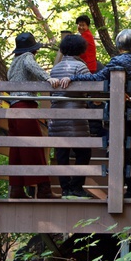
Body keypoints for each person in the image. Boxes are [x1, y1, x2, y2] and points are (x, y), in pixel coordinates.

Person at [60, 29, 131, 199]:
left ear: (119, 44)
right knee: (126, 151)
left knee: (118, 150)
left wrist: (74, 78)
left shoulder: (118, 61)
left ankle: (118, 191)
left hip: (121, 112)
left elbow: (97, 79)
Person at [7, 32, 62, 199]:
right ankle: (43, 189)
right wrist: (48, 78)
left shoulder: (13, 63)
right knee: (34, 147)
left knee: (17, 151)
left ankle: (16, 190)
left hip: (13, 108)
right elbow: (33, 67)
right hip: (25, 107)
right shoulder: (27, 57)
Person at [49, 34, 93, 198]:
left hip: (57, 117)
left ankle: (65, 189)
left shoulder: (55, 68)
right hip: (76, 118)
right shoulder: (80, 66)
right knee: (84, 153)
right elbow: (91, 86)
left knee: (62, 154)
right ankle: (76, 187)